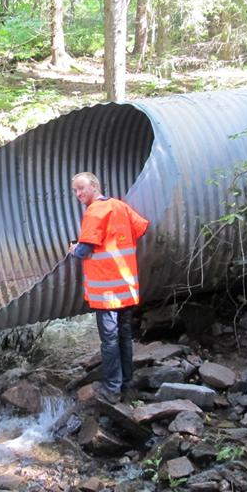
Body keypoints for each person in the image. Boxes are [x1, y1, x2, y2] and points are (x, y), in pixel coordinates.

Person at [69, 172, 149, 403]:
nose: (78, 194)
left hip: (106, 292)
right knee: (124, 336)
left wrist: (73, 249)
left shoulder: (94, 212)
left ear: (94, 186)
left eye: (81, 188)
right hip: (126, 287)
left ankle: (112, 388)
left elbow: (84, 250)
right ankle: (126, 383)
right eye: (75, 190)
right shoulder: (119, 206)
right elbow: (141, 228)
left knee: (110, 340)